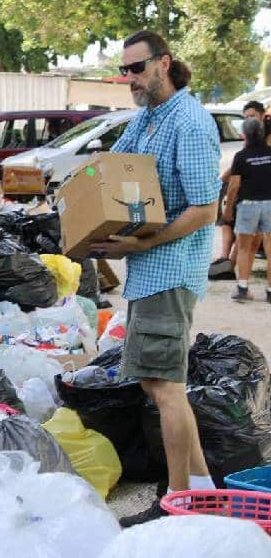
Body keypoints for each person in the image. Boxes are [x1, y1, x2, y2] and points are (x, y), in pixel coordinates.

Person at [89, 30, 219, 527]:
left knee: (165, 387)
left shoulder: (189, 122)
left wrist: (141, 243)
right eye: (124, 71)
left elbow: (205, 209)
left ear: (164, 63)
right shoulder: (145, 119)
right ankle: (203, 490)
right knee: (156, 383)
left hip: (170, 269)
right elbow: (106, 171)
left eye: (137, 68)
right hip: (147, 273)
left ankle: (178, 505)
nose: (130, 79)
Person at [210, 100, 268, 277]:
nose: (249, 120)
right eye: (247, 118)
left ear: (263, 115)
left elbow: (244, 164)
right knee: (228, 221)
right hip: (252, 189)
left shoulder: (264, 133)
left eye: (253, 116)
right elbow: (241, 162)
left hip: (261, 191)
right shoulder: (251, 135)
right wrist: (221, 182)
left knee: (247, 235)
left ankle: (232, 268)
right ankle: (226, 262)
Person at [223, 117, 271, 303]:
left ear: (244, 135)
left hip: (248, 205)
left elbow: (233, 186)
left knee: (244, 247)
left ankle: (243, 288)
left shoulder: (241, 156)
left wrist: (228, 210)